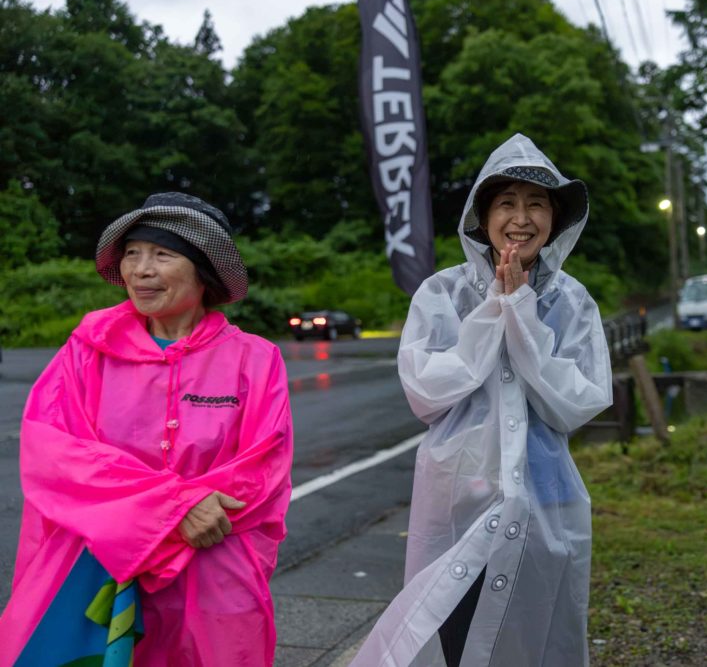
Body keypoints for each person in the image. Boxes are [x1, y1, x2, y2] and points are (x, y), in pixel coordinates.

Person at [352, 133, 613, 666]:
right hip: (459, 497)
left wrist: (523, 313)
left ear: (555, 218)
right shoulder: (442, 293)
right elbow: (426, 392)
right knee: (452, 630)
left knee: (534, 637)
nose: (521, 218)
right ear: (482, 216)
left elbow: (577, 402)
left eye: (537, 203)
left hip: (546, 500)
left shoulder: (572, 301)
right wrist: (495, 310)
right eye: (506, 203)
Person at [0, 193, 294, 666]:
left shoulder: (255, 359)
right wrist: (174, 508)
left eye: (162, 254)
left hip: (211, 560)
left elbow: (263, 467)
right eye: (132, 254)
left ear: (204, 270)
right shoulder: (88, 351)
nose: (141, 270)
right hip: (97, 558)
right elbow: (55, 453)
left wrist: (179, 521)